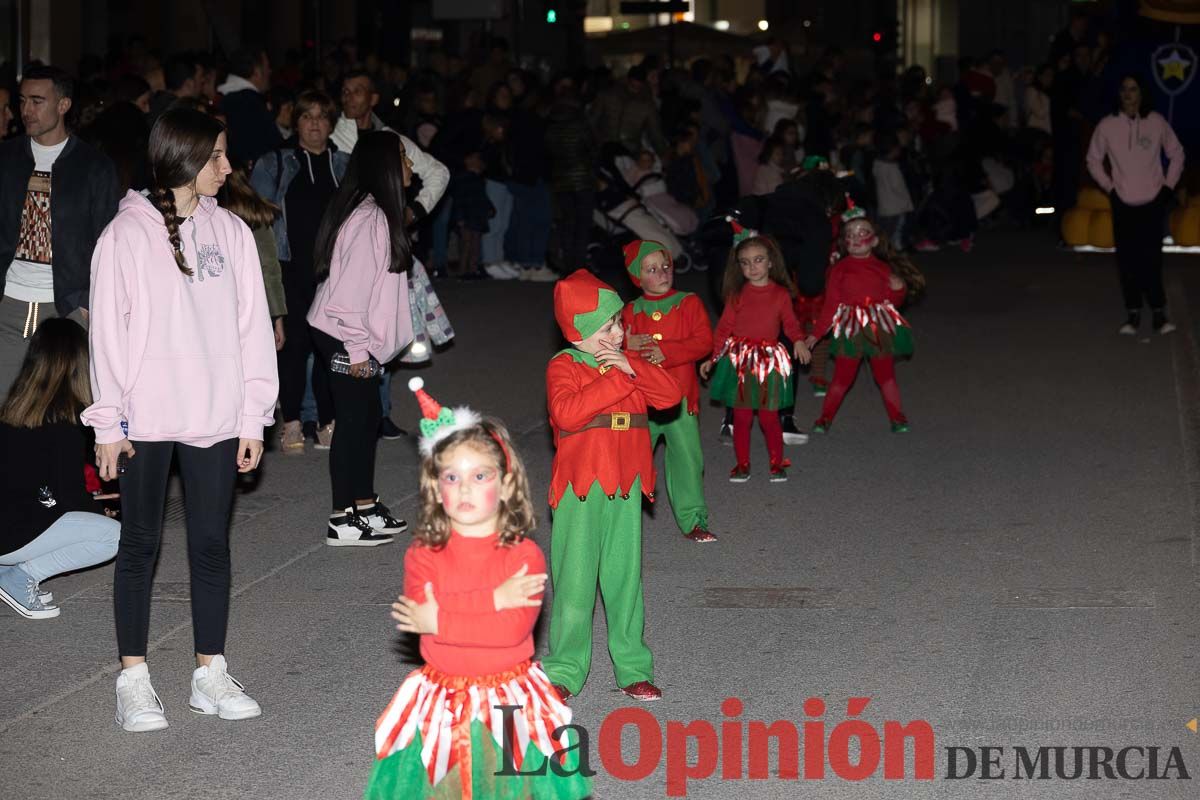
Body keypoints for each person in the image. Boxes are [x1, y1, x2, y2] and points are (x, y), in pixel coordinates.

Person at [82, 108, 278, 732]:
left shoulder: (233, 234)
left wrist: (254, 415)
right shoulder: (126, 235)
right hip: (145, 417)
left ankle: (209, 673)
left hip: (216, 417)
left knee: (211, 545)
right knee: (139, 544)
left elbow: (252, 332)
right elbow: (107, 338)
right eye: (217, 156)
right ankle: (133, 678)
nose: (227, 167)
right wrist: (107, 423)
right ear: (185, 158)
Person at [367, 380, 591, 799]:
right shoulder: (423, 553)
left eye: (479, 475)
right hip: (443, 698)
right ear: (436, 487)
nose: (464, 488)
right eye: (451, 476)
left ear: (505, 486)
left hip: (506, 699)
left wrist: (444, 615)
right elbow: (423, 621)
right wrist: (492, 600)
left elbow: (506, 632)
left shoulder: (523, 556)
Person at [542, 269, 683, 702]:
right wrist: (617, 379)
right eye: (608, 326)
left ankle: (633, 667)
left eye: (620, 323)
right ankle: (563, 670)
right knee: (575, 583)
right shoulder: (564, 365)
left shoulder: (629, 363)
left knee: (625, 581)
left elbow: (670, 396)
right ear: (579, 331)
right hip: (580, 489)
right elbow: (567, 414)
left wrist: (633, 367)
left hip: (625, 487)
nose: (619, 332)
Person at [307, 130, 413, 546]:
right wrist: (355, 350)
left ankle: (364, 505)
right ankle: (341, 518)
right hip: (344, 336)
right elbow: (348, 298)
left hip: (356, 336)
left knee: (366, 419)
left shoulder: (378, 214)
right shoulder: (369, 219)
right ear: (385, 167)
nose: (410, 165)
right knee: (353, 424)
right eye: (403, 157)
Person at [0, 65, 120, 392]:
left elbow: (106, 242)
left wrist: (87, 303)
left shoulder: (94, 167)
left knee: (66, 415)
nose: (26, 110)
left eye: (37, 101)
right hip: (8, 304)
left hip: (66, 308)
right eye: (23, 101)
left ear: (63, 105)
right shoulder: (7, 158)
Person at [0, 319, 119, 619]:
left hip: (8, 522)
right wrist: (96, 511)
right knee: (114, 536)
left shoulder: (13, 409)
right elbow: (67, 494)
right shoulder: (64, 420)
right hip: (11, 533)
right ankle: (20, 575)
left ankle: (11, 569)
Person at [251, 90, 347, 452]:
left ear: (331, 124)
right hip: (289, 268)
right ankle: (290, 420)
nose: (315, 124)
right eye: (307, 117)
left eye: (322, 117)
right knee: (290, 347)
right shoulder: (275, 162)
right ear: (297, 122)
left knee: (330, 348)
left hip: (334, 271)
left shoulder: (346, 165)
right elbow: (255, 220)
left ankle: (326, 420)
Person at [620, 240, 716, 543]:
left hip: (680, 400)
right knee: (630, 458)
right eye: (651, 269)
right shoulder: (630, 310)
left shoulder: (689, 303)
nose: (662, 273)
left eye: (665, 266)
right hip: (641, 400)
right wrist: (626, 345)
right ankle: (619, 517)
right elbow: (612, 348)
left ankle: (693, 520)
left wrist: (667, 351)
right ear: (638, 277)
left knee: (687, 460)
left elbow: (703, 342)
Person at [701, 222, 810, 482]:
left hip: (768, 361)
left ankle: (776, 462)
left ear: (771, 262)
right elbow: (724, 328)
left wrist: (799, 341)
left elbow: (791, 323)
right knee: (742, 416)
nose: (752, 267)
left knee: (770, 416)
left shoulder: (781, 294)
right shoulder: (736, 295)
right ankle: (742, 464)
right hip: (740, 360)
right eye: (745, 262)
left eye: (758, 260)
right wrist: (713, 357)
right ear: (738, 266)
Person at [805, 203, 923, 434]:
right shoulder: (839, 269)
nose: (856, 238)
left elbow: (892, 301)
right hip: (851, 328)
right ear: (844, 242)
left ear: (875, 241)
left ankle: (897, 417)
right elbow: (831, 305)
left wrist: (898, 290)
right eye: (850, 234)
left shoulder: (882, 267)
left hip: (879, 326)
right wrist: (816, 334)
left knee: (885, 376)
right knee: (842, 377)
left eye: (862, 233)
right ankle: (825, 417)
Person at [1085, 74, 1184, 336]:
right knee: (1127, 261)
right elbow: (1093, 159)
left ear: (1142, 94)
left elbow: (1177, 154)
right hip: (1123, 203)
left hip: (1153, 201)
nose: (1128, 94)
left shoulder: (1156, 122)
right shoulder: (1107, 125)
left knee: (1151, 260)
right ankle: (1133, 314)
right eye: (1124, 89)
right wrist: (1109, 188)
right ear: (1119, 94)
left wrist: (1167, 187)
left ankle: (1160, 314)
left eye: (1134, 89)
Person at [217, 167, 287, 346]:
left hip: (220, 309)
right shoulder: (256, 215)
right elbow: (269, 269)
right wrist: (277, 317)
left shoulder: (207, 214)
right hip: (253, 308)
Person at [216, 47, 281, 166]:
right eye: (267, 67)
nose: (270, 71)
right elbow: (271, 149)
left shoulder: (224, 97)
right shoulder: (250, 103)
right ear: (256, 72)